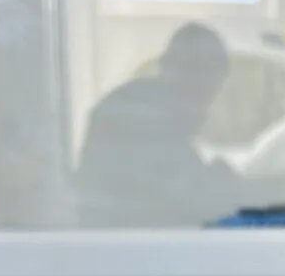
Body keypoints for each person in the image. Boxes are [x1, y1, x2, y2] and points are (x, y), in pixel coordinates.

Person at [74, 23, 237, 222]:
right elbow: (179, 200)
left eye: (213, 70)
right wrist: (219, 183)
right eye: (192, 68)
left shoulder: (161, 112)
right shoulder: (137, 116)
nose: (203, 81)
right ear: (166, 67)